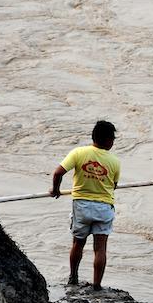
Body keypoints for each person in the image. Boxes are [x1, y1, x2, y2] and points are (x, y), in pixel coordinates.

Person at [50, 120, 121, 290]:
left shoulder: (78, 153)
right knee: (100, 248)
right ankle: (97, 285)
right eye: (112, 138)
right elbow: (113, 186)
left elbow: (58, 172)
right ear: (107, 140)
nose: (113, 142)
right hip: (104, 207)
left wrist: (56, 190)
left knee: (78, 243)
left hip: (81, 205)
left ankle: (73, 277)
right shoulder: (114, 161)